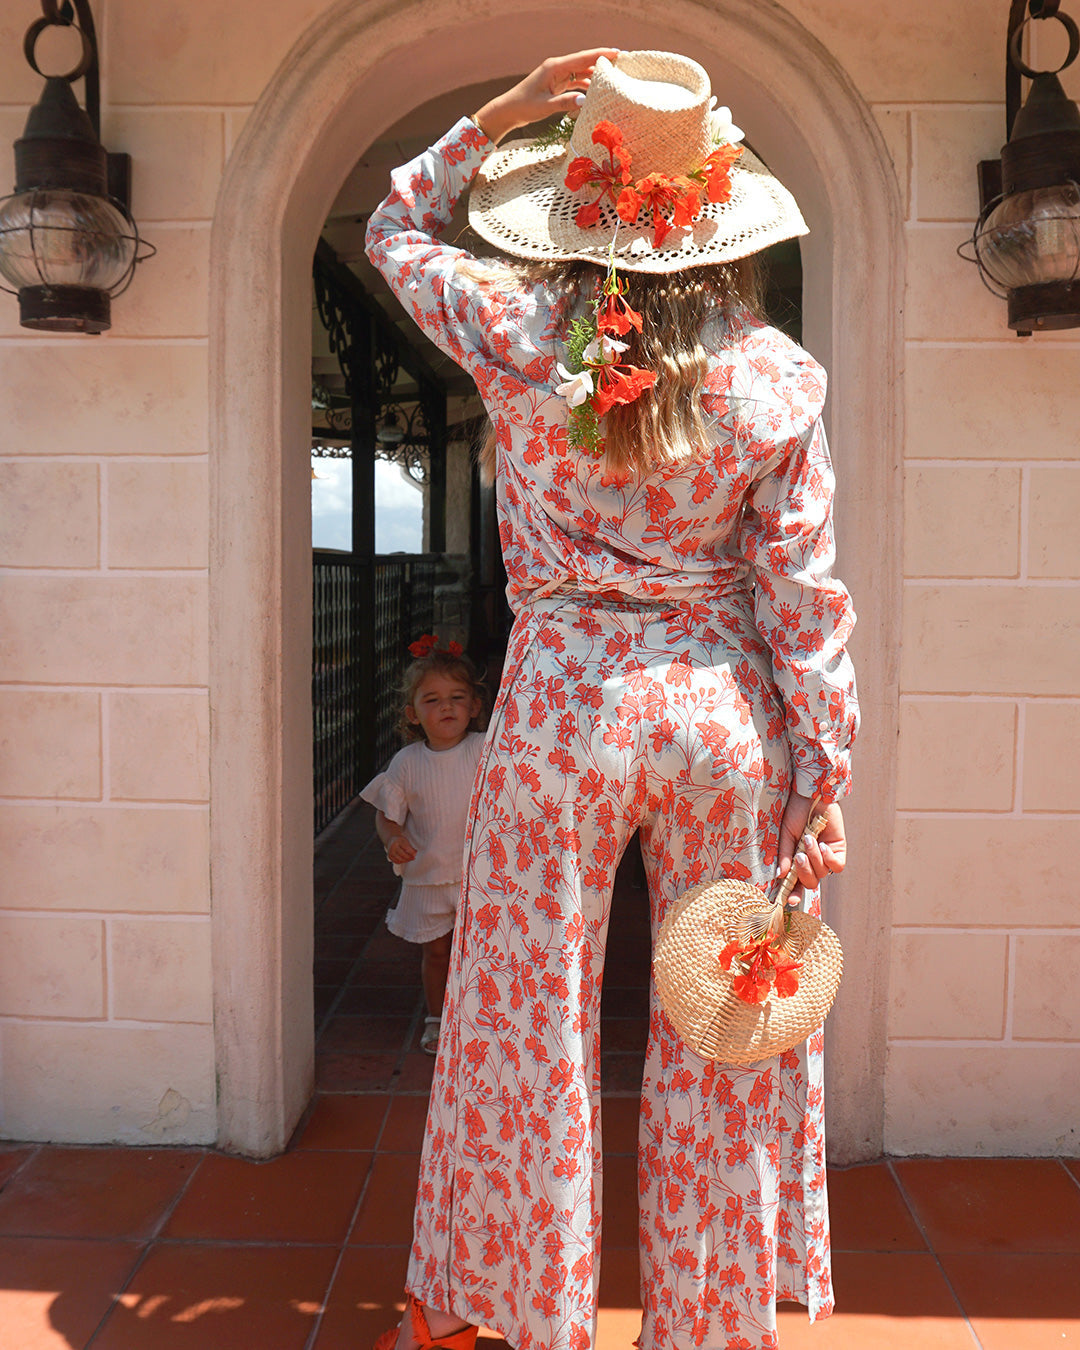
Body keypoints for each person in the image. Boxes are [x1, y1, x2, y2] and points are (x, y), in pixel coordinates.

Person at [366, 48, 858, 1350]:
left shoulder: (520, 332)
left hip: (562, 717)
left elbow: (390, 222)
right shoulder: (775, 376)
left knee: (530, 1026)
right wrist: (824, 779)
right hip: (720, 715)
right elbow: (804, 601)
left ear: (574, 197)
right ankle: (704, 1326)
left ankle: (529, 1309)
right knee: (718, 1029)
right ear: (719, 209)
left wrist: (509, 103)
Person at [361, 638, 488, 1054]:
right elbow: (387, 813)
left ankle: (480, 1015)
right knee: (436, 952)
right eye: (432, 700)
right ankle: (437, 1017)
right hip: (430, 876)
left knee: (481, 952)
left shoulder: (485, 750)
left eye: (457, 697)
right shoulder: (407, 763)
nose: (446, 707)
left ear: (474, 706)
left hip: (480, 874)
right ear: (413, 714)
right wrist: (393, 838)